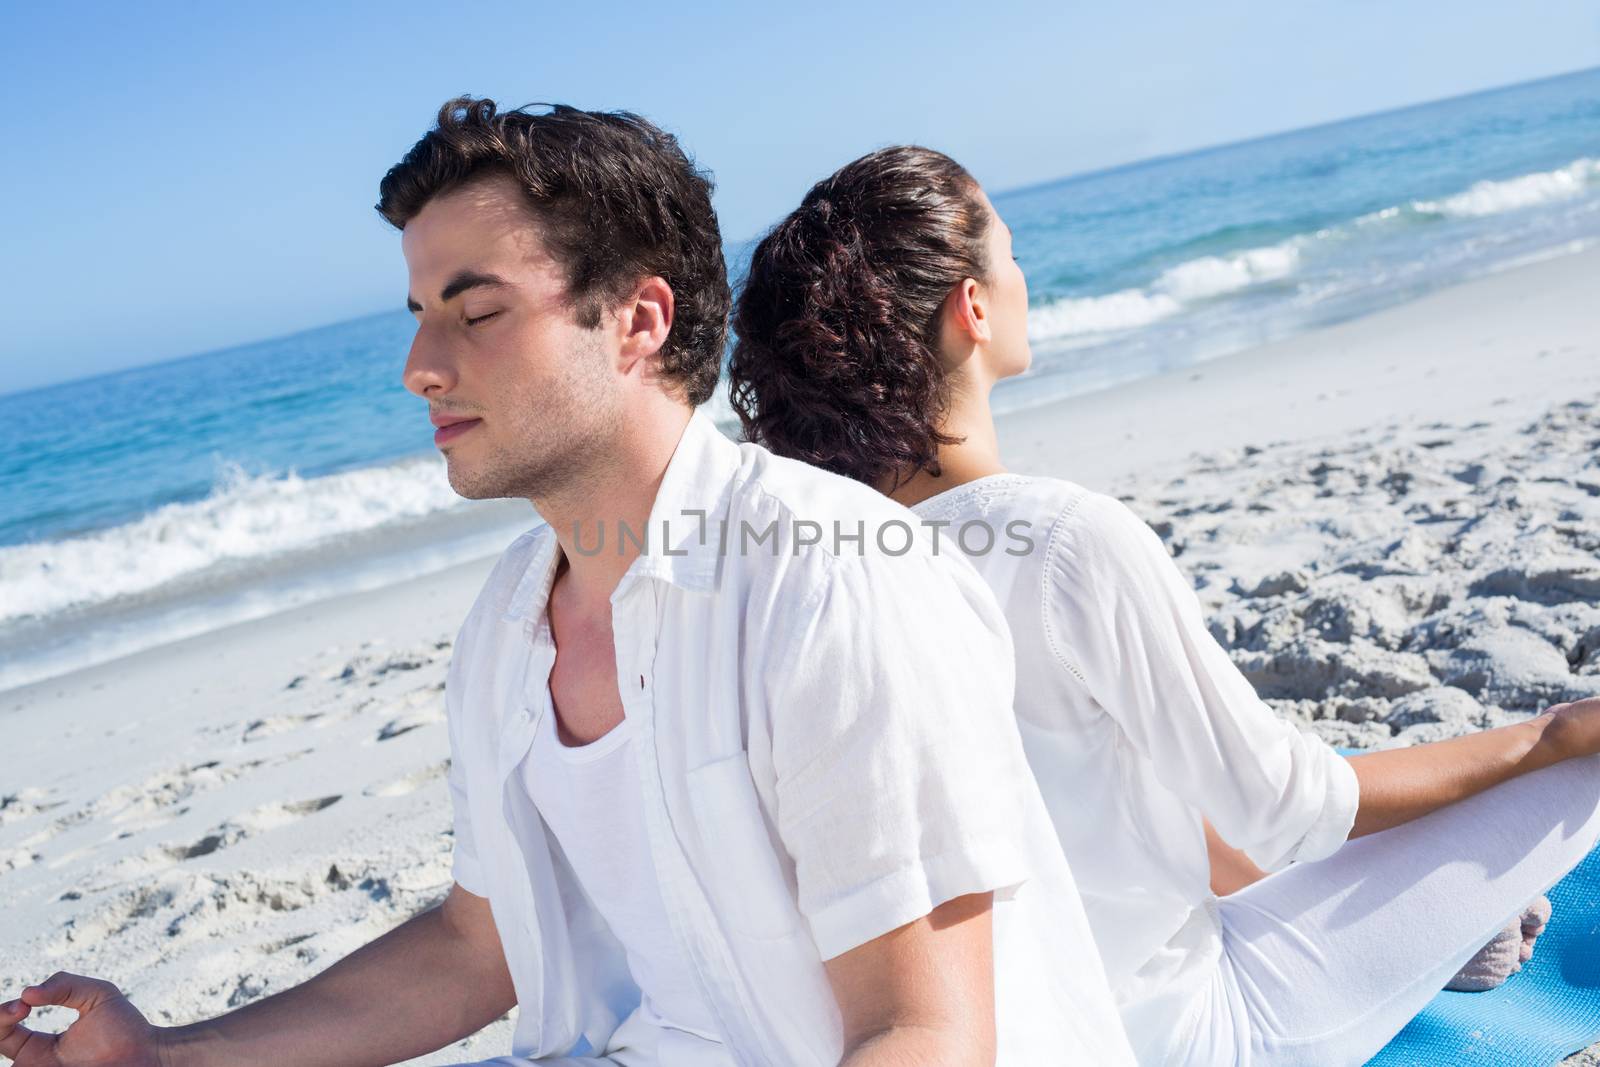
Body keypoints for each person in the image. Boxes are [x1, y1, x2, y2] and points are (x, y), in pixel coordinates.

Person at [0, 103, 1137, 1067]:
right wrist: (165, 1050)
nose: (420, 368)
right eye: (419, 317)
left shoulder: (829, 579)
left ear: (639, 320)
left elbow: (922, 1030)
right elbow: (476, 945)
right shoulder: (510, 617)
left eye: (477, 311)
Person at [724, 143, 1600, 1067]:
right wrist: (1551, 736)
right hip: (1182, 1032)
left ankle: (1446, 938)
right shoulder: (1064, 540)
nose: (1023, 277)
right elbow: (1291, 806)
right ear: (971, 307)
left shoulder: (823, 570)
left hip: (980, 1028)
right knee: (1572, 764)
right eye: (1009, 254)